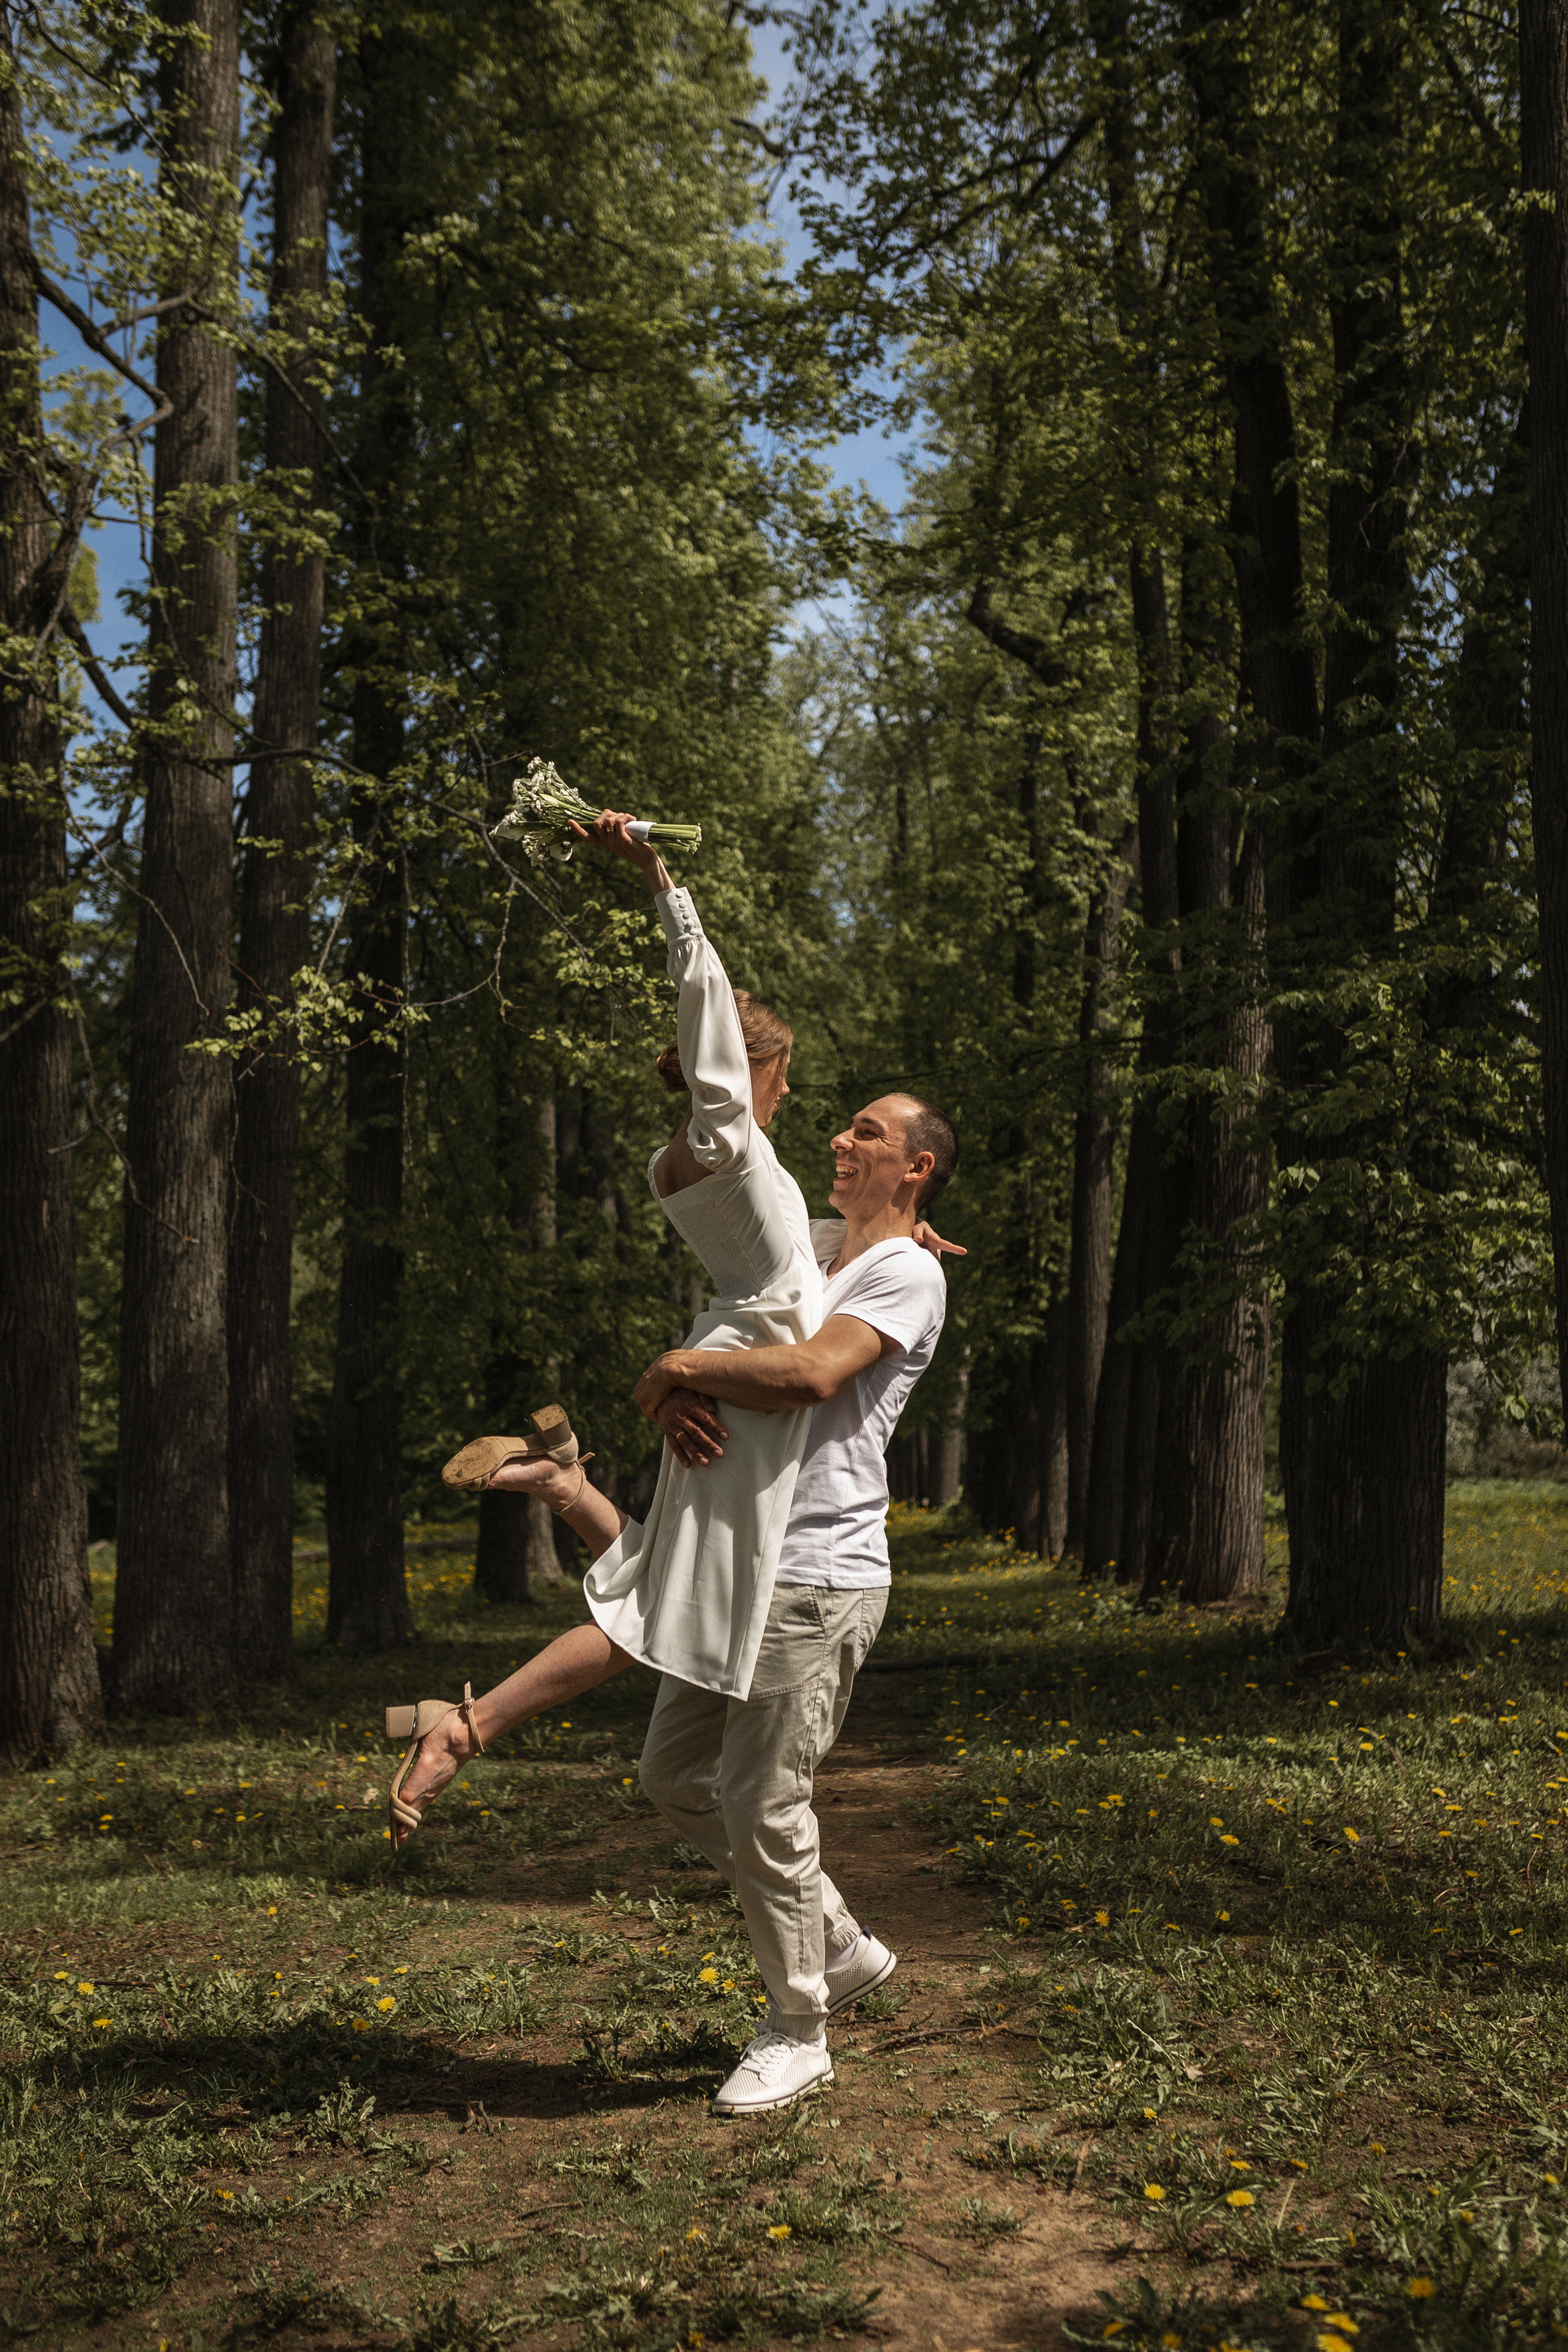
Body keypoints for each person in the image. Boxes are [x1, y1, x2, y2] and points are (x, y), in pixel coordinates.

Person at [385, 812, 958, 1848]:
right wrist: (661, 883)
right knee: (665, 1599)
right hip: (748, 1375)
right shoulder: (728, 1148)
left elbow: (819, 1245)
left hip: (738, 1370)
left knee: (664, 1596)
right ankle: (473, 1706)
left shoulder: (760, 1180)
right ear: (745, 1070)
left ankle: (533, 1557)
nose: (829, 1120)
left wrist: (911, 1228)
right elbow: (707, 1021)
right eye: (775, 1072)